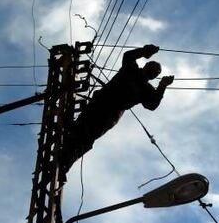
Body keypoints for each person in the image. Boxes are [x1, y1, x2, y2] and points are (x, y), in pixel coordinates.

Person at [59, 44, 174, 179]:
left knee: (86, 138)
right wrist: (145, 51)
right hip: (101, 105)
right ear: (146, 66)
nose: (154, 71)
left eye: (156, 71)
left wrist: (162, 86)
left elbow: (152, 105)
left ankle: (63, 165)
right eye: (153, 67)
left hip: (109, 115)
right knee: (81, 131)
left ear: (154, 76)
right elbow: (128, 56)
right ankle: (63, 158)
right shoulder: (131, 70)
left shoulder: (146, 89)